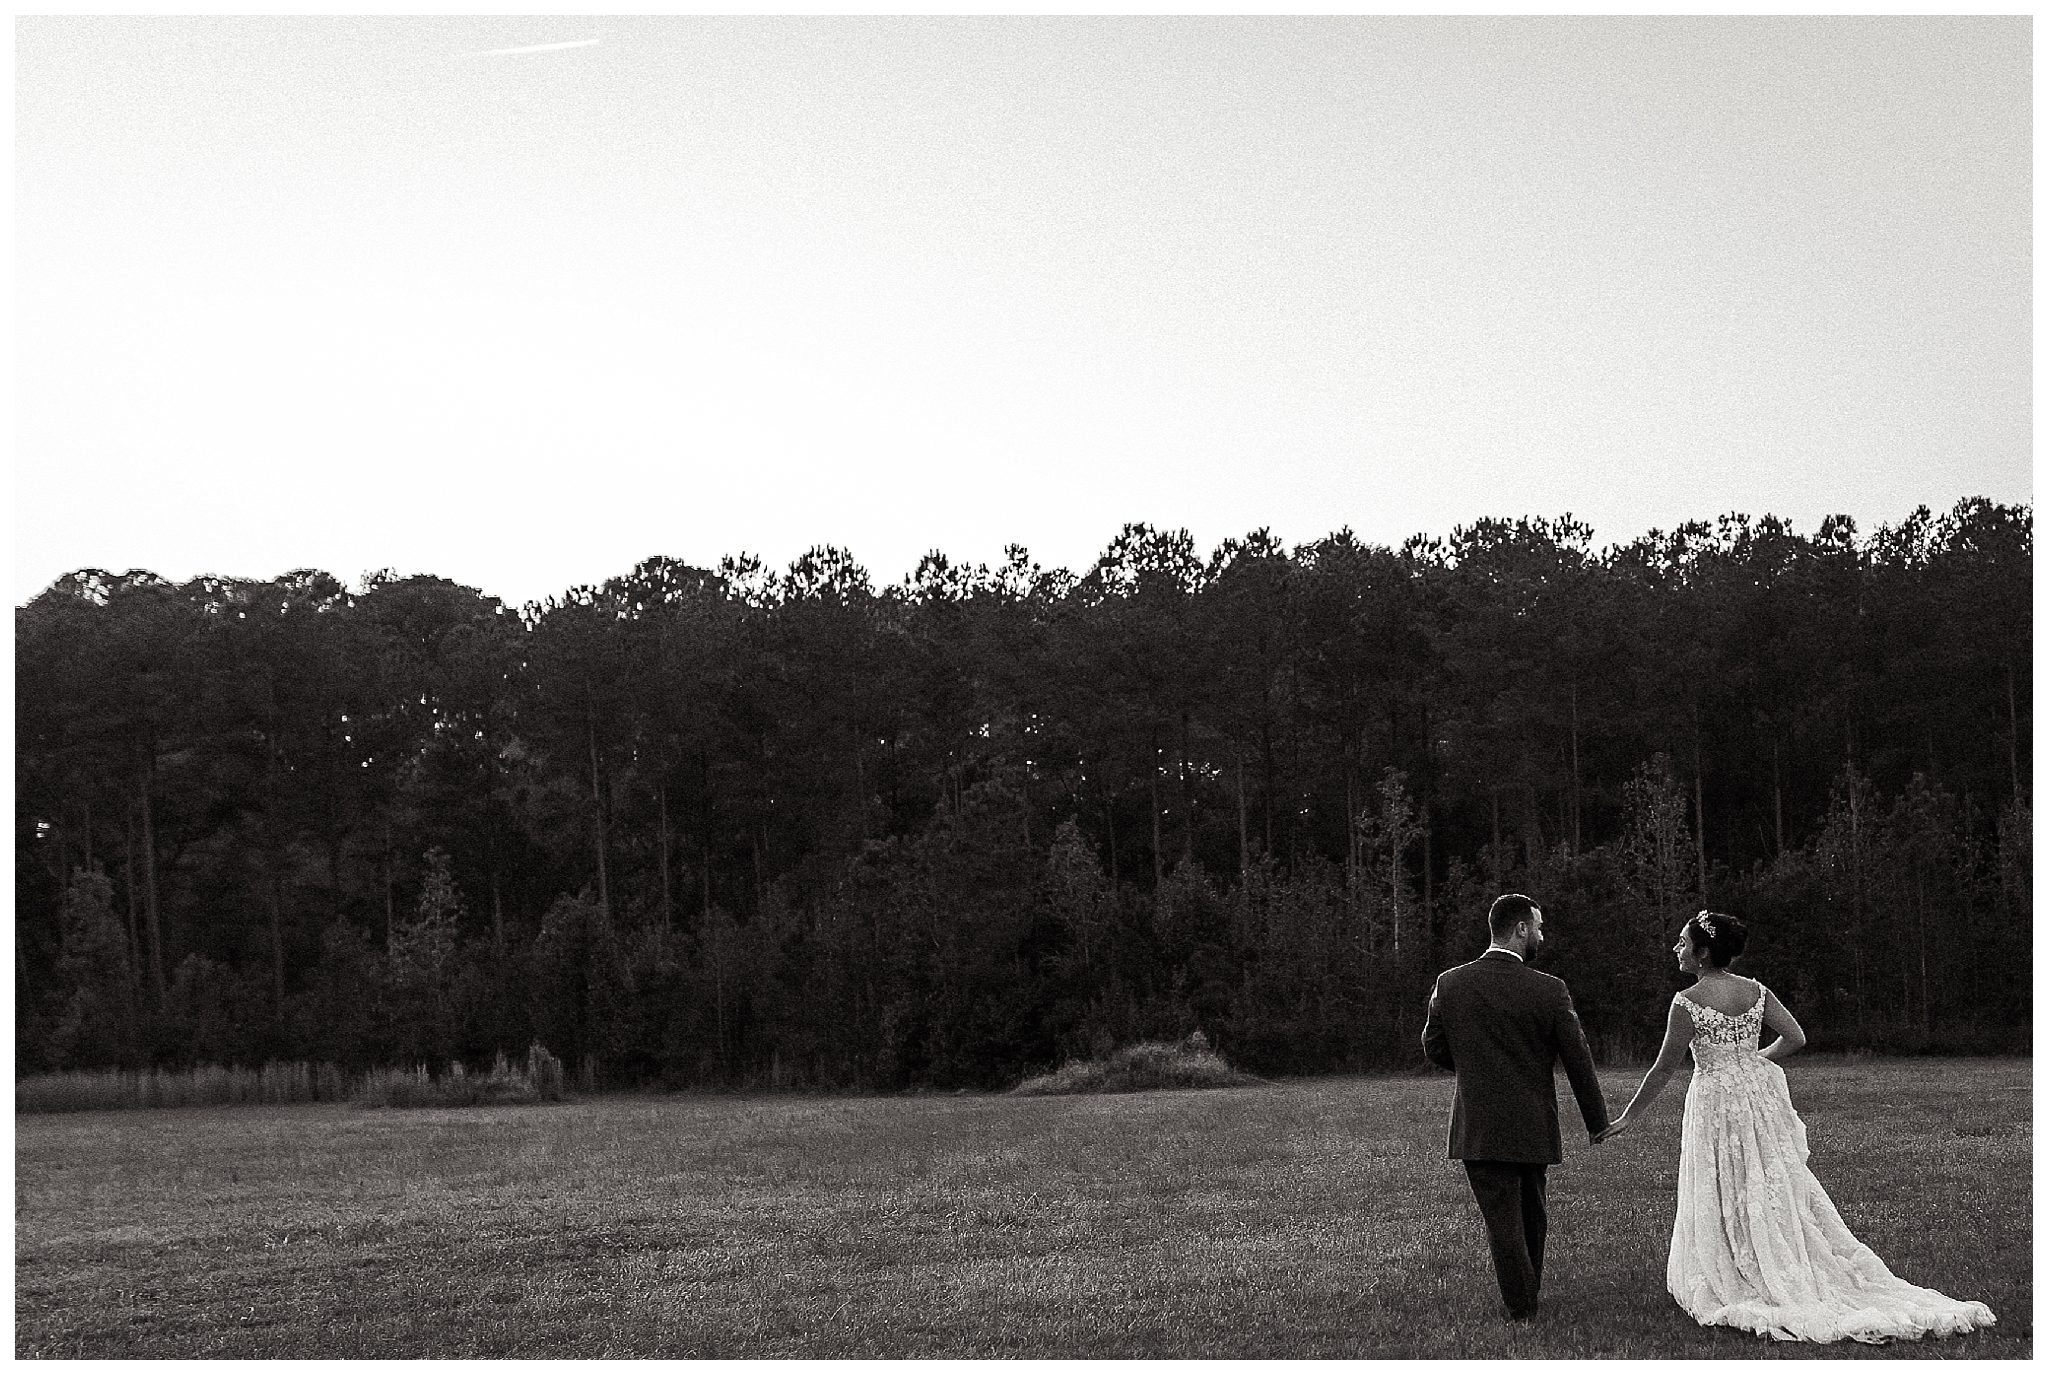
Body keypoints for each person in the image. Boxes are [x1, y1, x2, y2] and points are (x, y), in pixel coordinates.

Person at [1601, 910, 1996, 1343]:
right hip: (1754, 1097)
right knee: (1768, 1177)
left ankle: (1740, 1266)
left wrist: (1627, 1117)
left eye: (1682, 942)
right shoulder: (1756, 992)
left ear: (1702, 952)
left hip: (1715, 1100)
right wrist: (1752, 1063)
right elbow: (1796, 1038)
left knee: (1725, 1178)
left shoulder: (1687, 1002)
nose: (1676, 948)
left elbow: (1662, 1069)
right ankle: (1773, 1254)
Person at [1421, 893, 1611, 1322]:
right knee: (1531, 1212)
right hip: (1532, 1120)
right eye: (1539, 927)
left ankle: (1523, 1298)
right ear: (1521, 929)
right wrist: (1596, 1122)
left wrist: (1473, 1066)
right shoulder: (1549, 990)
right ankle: (1525, 1300)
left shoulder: (1450, 983)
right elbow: (1578, 1059)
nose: (1541, 935)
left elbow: (1433, 1046)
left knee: (1503, 1217)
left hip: (1479, 1123)